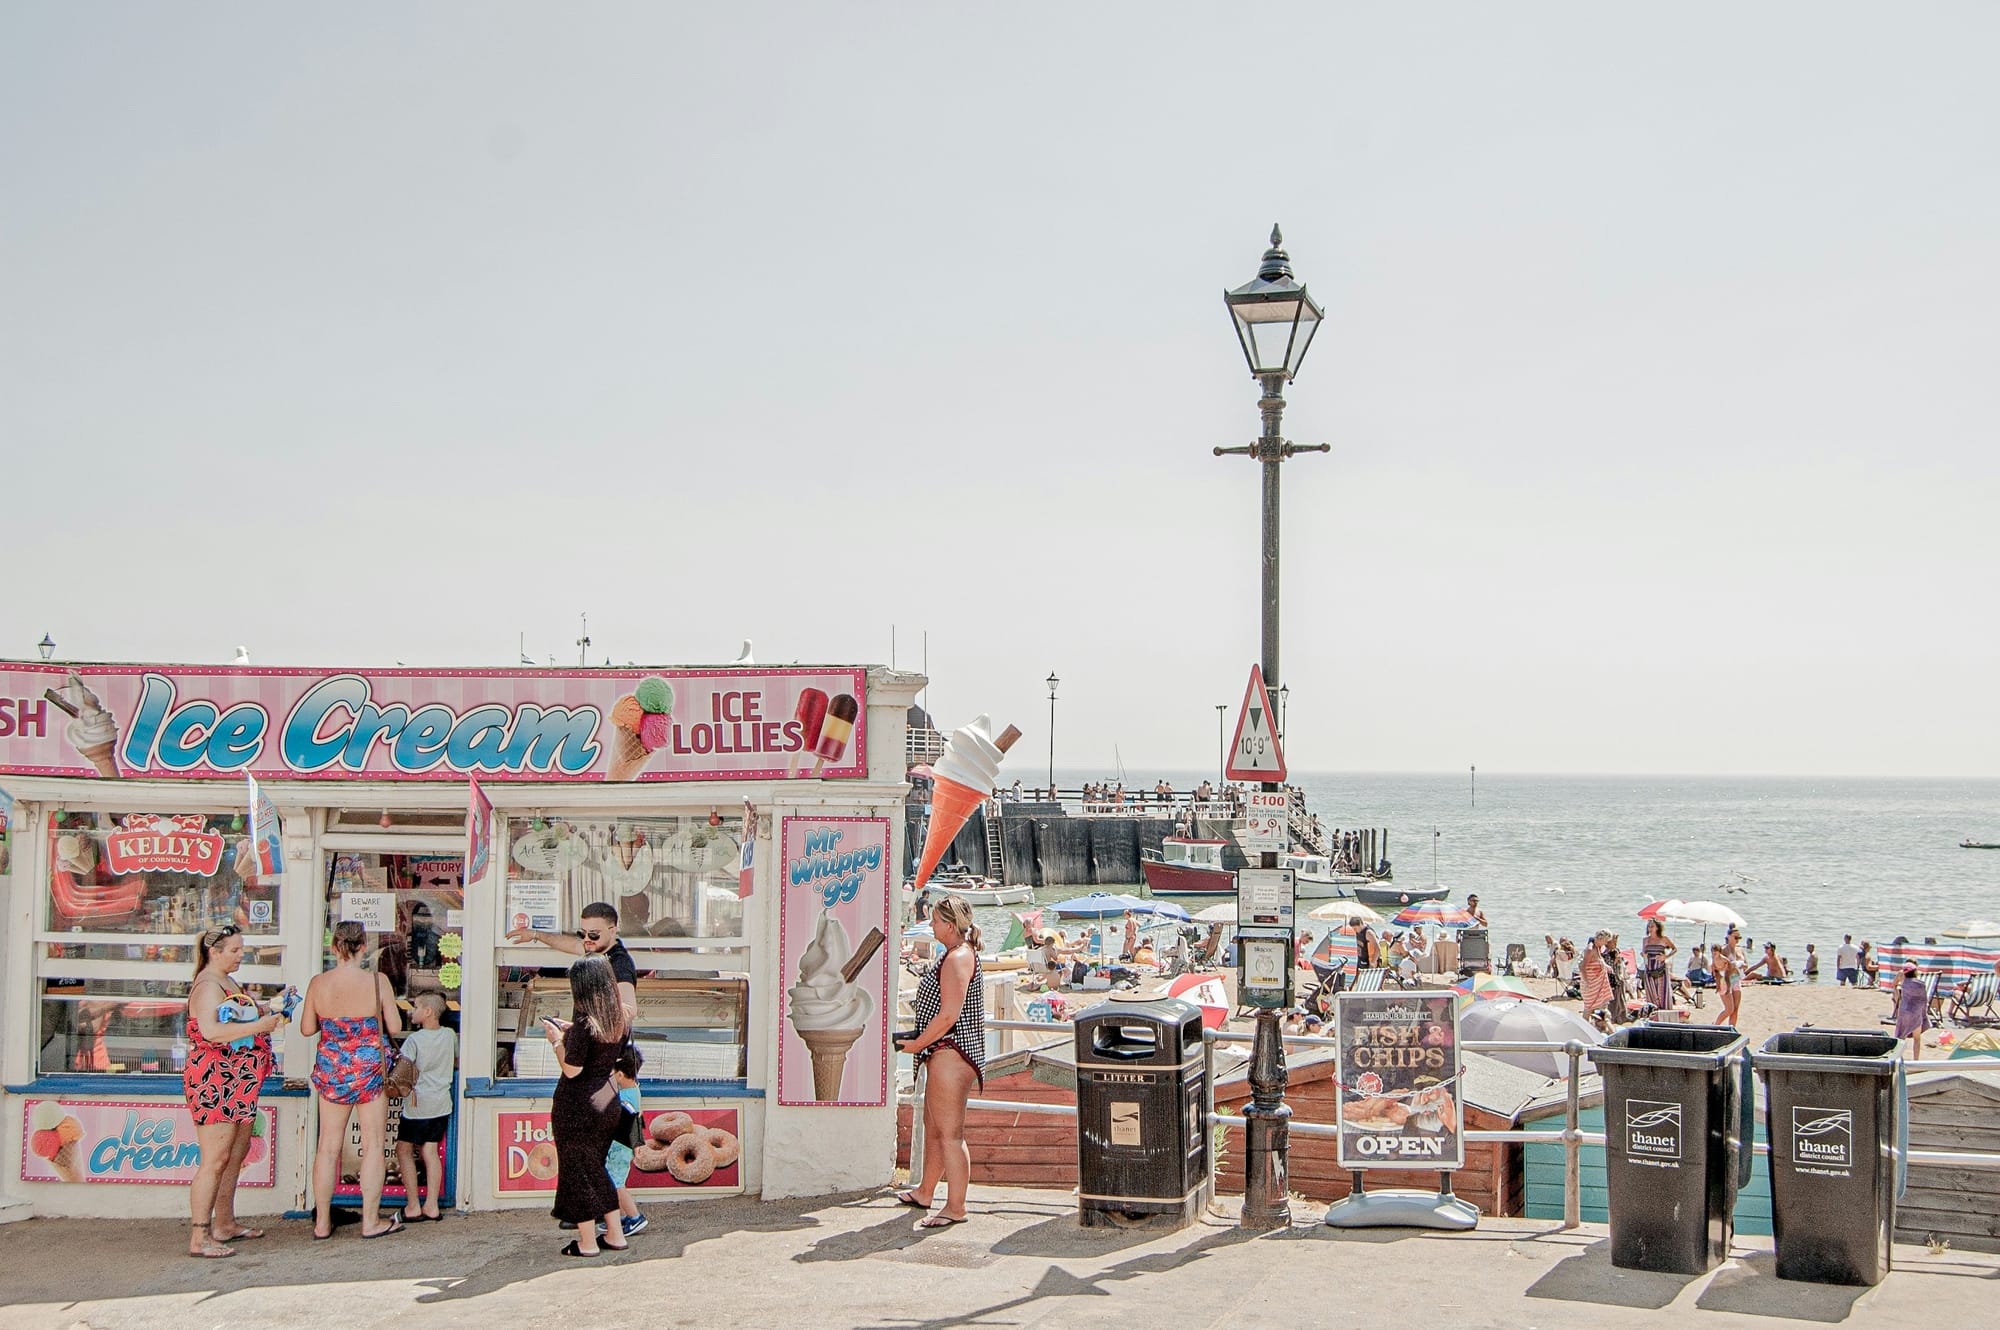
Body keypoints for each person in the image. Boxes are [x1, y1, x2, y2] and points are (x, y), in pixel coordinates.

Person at [183, 924, 290, 1258]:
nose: (241, 955)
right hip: (216, 1082)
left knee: (234, 1156)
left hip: (239, 1083)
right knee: (214, 1160)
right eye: (234, 950)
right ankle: (200, 1236)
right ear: (214, 951)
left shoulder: (227, 982)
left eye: (242, 949)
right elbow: (212, 1031)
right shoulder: (207, 987)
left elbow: (240, 1016)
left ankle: (225, 1223)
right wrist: (260, 1025)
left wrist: (273, 1009)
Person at [301, 920, 403, 1240]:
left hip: (332, 1069)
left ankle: (321, 1223)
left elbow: (306, 1029)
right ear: (363, 947)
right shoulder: (377, 981)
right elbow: (396, 1027)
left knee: (327, 1147)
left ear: (334, 948)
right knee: (373, 1145)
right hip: (370, 1068)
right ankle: (370, 1221)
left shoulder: (318, 983)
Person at [894, 894, 985, 1230]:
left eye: (934, 921)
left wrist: (917, 1042)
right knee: (934, 1129)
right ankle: (926, 1191)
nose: (930, 925)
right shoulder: (957, 953)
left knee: (949, 1133)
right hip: (943, 1051)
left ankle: (956, 1206)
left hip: (951, 1052)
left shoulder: (958, 956)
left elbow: (949, 1015)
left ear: (949, 925)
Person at [546, 954, 631, 1256]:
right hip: (608, 1100)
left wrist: (557, 1040)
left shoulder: (585, 1021)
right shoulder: (619, 1016)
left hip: (577, 1104)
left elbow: (572, 1069)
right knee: (596, 1167)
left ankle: (587, 1241)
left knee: (575, 1171)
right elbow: (607, 1049)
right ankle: (616, 1234)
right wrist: (572, 1032)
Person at [508, 901, 639, 1021]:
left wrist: (590, 1028)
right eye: (582, 933)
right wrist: (535, 934)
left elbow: (629, 1010)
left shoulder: (619, 963)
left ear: (612, 931)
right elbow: (570, 944)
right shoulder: (596, 949)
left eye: (594, 934)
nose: (587, 939)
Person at [394, 993, 456, 1223]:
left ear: (428, 1012)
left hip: (417, 1105)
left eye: (416, 1007)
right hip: (441, 1103)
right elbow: (456, 1060)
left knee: (403, 1149)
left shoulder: (414, 1041)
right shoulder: (449, 1036)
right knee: (430, 1152)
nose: (412, 1011)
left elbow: (403, 1073)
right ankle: (432, 1205)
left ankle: (412, 1205)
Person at [602, 1044, 648, 1238]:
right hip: (623, 1146)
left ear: (620, 1075)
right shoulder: (635, 1090)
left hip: (618, 1147)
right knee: (611, 1182)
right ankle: (618, 1218)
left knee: (617, 1184)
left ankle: (635, 1216)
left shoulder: (621, 1098)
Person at [1894, 963, 1930, 1060]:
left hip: (1904, 1011)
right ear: (1915, 972)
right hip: (1916, 1012)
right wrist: (1924, 1013)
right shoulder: (1920, 984)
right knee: (1917, 1039)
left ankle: (1898, 1058)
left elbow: (1895, 984)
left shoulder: (1904, 983)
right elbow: (1924, 1000)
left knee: (1901, 1037)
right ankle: (1916, 1060)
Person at [1712, 927, 1745, 1027]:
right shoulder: (1723, 950)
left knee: (1735, 1008)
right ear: (1729, 937)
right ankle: (1715, 1025)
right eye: (1736, 937)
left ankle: (1731, 1029)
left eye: (1739, 938)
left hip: (1736, 978)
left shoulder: (1740, 950)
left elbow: (1746, 965)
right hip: (1725, 980)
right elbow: (1715, 967)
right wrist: (1717, 982)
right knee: (1729, 1009)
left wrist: (1740, 965)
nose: (1737, 940)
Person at [1640, 919, 1677, 1012]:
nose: (1650, 928)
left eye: (1652, 926)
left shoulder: (1663, 939)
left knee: (1662, 990)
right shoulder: (1645, 940)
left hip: (1661, 968)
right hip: (1649, 968)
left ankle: (1665, 1010)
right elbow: (1644, 953)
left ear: (1657, 927)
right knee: (1651, 991)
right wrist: (1643, 956)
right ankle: (1653, 1011)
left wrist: (1666, 956)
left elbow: (1674, 949)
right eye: (1649, 926)